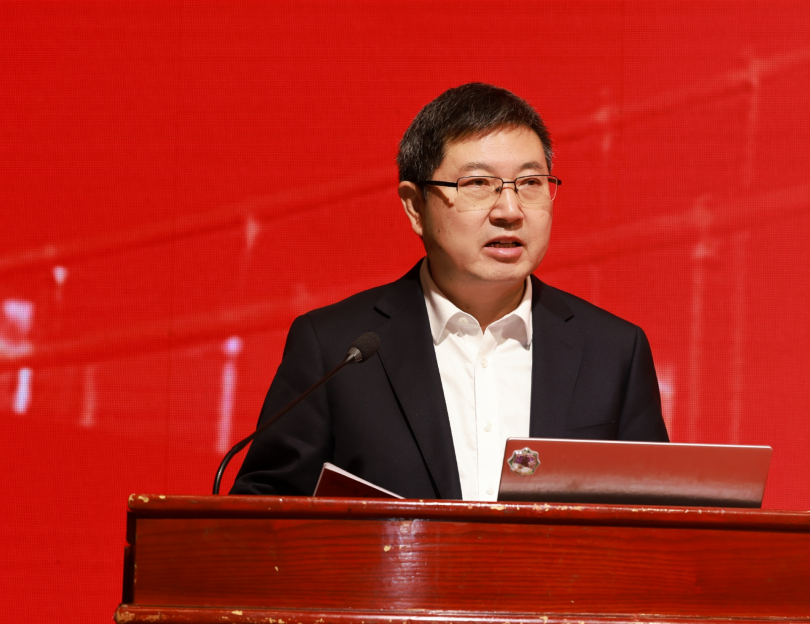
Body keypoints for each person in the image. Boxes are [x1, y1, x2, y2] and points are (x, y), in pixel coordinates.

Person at [230, 82, 668, 499]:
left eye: (531, 183)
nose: (510, 210)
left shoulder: (614, 351)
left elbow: (658, 518)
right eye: (478, 184)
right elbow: (262, 515)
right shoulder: (335, 349)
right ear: (415, 206)